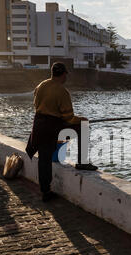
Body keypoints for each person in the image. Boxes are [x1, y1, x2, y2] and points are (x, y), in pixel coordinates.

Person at [26, 62, 98, 202]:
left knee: (44, 159)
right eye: (66, 74)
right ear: (63, 74)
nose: (66, 77)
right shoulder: (62, 91)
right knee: (83, 125)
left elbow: (36, 105)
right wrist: (83, 119)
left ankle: (45, 190)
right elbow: (68, 118)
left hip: (39, 125)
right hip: (52, 126)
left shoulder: (41, 85)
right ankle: (82, 162)